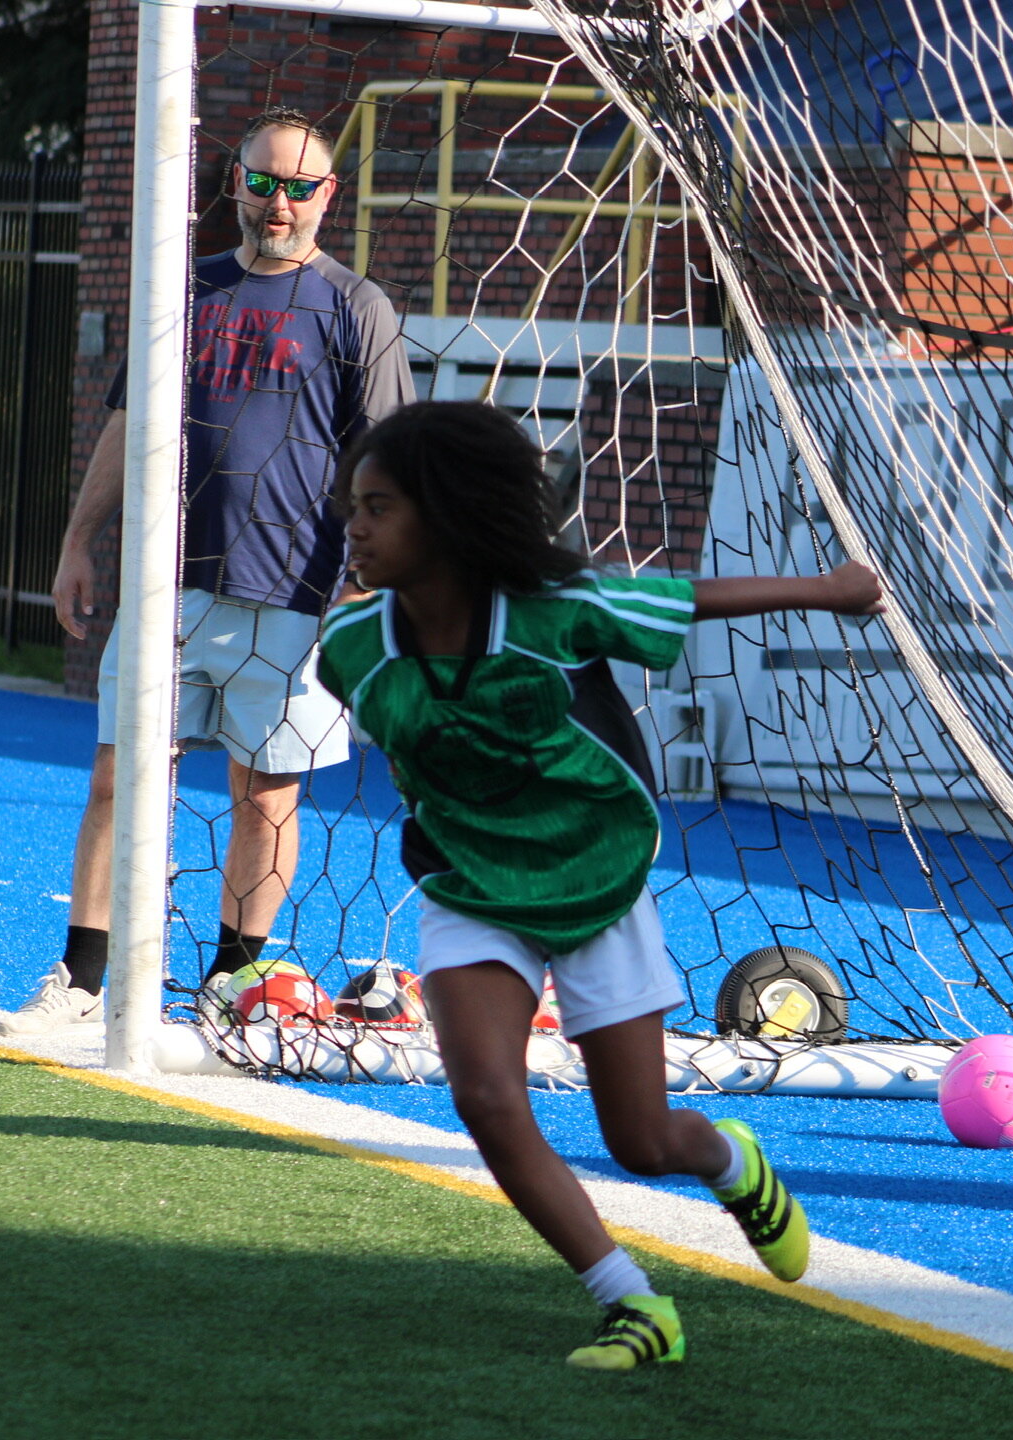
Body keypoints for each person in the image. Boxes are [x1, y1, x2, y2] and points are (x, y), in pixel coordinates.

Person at [317, 401, 886, 1370]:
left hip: (596, 886)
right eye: (352, 507)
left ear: (444, 518)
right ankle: (632, 1306)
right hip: (470, 890)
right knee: (489, 1098)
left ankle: (731, 1161)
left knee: (643, 1143)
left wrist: (831, 589)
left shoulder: (555, 614)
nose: (354, 529)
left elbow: (688, 598)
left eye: (377, 508)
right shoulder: (352, 649)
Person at [0, 106, 414, 1035]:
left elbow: (388, 456)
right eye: (263, 182)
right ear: (235, 183)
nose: (279, 202)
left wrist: (362, 587)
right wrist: (78, 538)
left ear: (328, 196)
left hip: (302, 602)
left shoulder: (358, 308)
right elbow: (124, 426)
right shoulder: (188, 292)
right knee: (118, 775)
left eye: (300, 187)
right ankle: (81, 976)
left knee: (265, 795)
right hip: (169, 592)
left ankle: (234, 981)